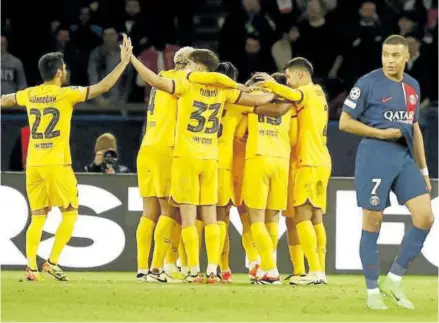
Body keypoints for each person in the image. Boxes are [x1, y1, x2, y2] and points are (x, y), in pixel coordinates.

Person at [130, 48, 278, 283]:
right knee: (201, 215)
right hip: (197, 155)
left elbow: (153, 80)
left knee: (158, 213)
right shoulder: (214, 88)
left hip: (156, 148)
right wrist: (278, 91)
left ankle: (154, 268)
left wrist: (131, 60)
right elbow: (256, 100)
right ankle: (197, 268)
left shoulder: (174, 79)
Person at [0, 34, 133, 282]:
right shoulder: (66, 94)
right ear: (60, 72)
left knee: (38, 215)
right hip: (57, 164)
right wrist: (124, 62)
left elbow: (5, 100)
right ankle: (51, 261)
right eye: (65, 68)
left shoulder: (30, 94)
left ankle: (31, 267)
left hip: (34, 164)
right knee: (70, 213)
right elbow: (103, 87)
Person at [339, 34, 433, 310]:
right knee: (373, 222)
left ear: (406, 57)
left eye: (395, 55)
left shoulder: (413, 86)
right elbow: (344, 122)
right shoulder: (368, 83)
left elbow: (413, 128)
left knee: (425, 217)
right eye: (385, 55)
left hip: (403, 156)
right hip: (375, 155)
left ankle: (393, 278)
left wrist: (424, 170)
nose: (389, 60)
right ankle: (371, 292)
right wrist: (379, 133)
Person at [256, 57, 332, 286]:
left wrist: (269, 83)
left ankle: (315, 272)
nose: (287, 82)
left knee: (301, 217)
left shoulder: (306, 92)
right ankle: (319, 270)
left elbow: (294, 96)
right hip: (322, 160)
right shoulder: (319, 93)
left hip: (307, 161)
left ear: (300, 75)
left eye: (288, 77)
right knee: (316, 218)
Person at [135, 46, 194, 283]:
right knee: (172, 211)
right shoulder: (184, 80)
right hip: (167, 148)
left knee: (149, 212)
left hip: (147, 147)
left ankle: (142, 268)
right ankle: (159, 268)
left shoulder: (162, 76)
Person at [236, 73, 297, 284]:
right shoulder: (289, 107)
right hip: (281, 161)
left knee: (256, 220)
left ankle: (270, 269)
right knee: (273, 219)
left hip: (258, 159)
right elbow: (295, 137)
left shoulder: (252, 105)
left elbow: (239, 133)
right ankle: (267, 265)